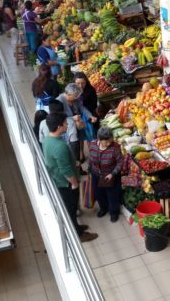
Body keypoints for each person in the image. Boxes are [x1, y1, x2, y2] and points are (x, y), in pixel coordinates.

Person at [42, 112, 97, 242]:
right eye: (65, 123)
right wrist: (74, 183)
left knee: (70, 208)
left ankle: (76, 227)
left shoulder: (47, 140)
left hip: (58, 180)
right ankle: (78, 235)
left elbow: (59, 162)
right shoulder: (59, 146)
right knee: (71, 209)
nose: (67, 125)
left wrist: (74, 162)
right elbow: (65, 170)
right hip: (66, 184)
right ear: (59, 126)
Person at [89, 127, 124, 222]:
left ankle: (113, 212)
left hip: (110, 175)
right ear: (99, 140)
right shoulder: (92, 145)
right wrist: (90, 170)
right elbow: (91, 159)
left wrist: (113, 173)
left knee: (112, 194)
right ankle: (103, 208)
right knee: (99, 193)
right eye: (106, 142)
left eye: (110, 141)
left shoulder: (115, 147)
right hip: (96, 173)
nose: (109, 144)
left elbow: (120, 162)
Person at [74, 72, 98, 163]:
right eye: (78, 83)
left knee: (89, 136)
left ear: (86, 82)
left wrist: (87, 114)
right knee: (79, 136)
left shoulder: (91, 90)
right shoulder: (72, 90)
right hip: (76, 116)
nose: (80, 85)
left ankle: (92, 155)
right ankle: (81, 153)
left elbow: (94, 105)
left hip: (88, 116)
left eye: (83, 83)